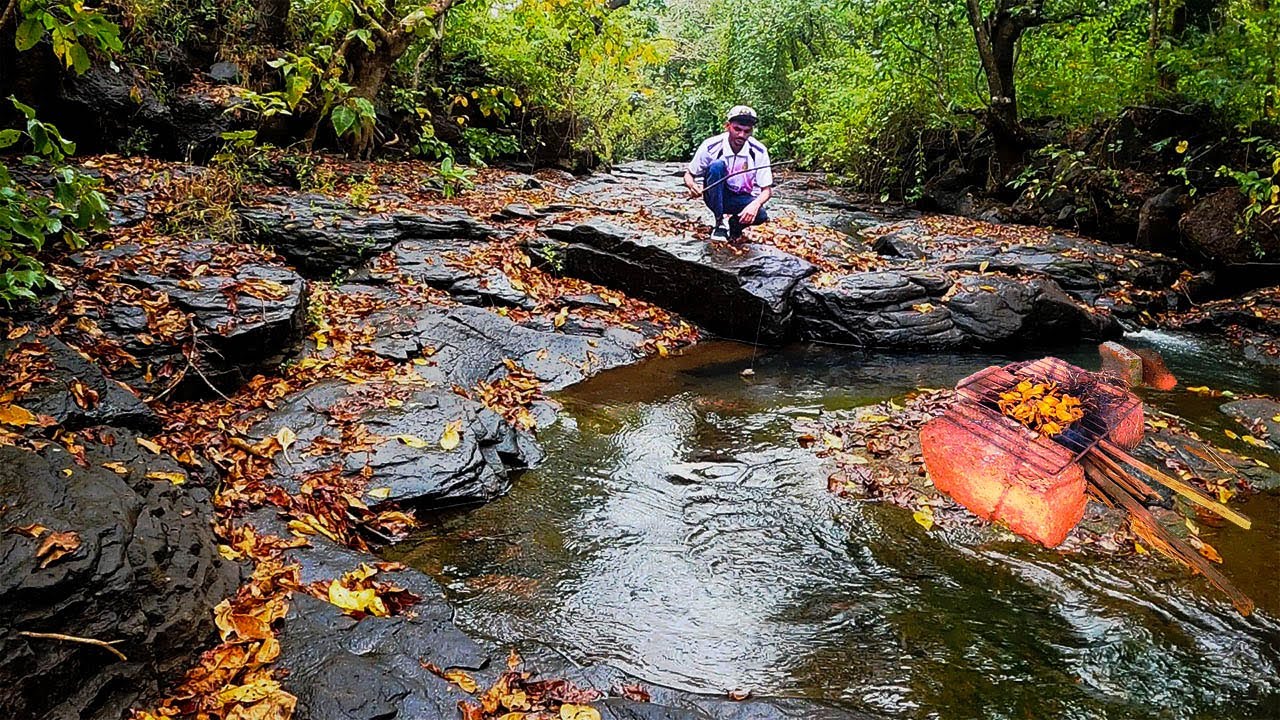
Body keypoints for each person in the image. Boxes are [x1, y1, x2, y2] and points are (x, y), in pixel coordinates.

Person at [683, 105, 774, 243]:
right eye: (737, 129)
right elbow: (689, 174)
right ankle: (719, 222)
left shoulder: (758, 151)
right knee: (717, 166)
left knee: (761, 215)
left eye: (747, 131)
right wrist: (692, 186)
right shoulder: (711, 146)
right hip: (715, 195)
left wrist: (755, 205)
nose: (741, 135)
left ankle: (735, 226)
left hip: (741, 197)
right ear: (727, 126)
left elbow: (766, 190)